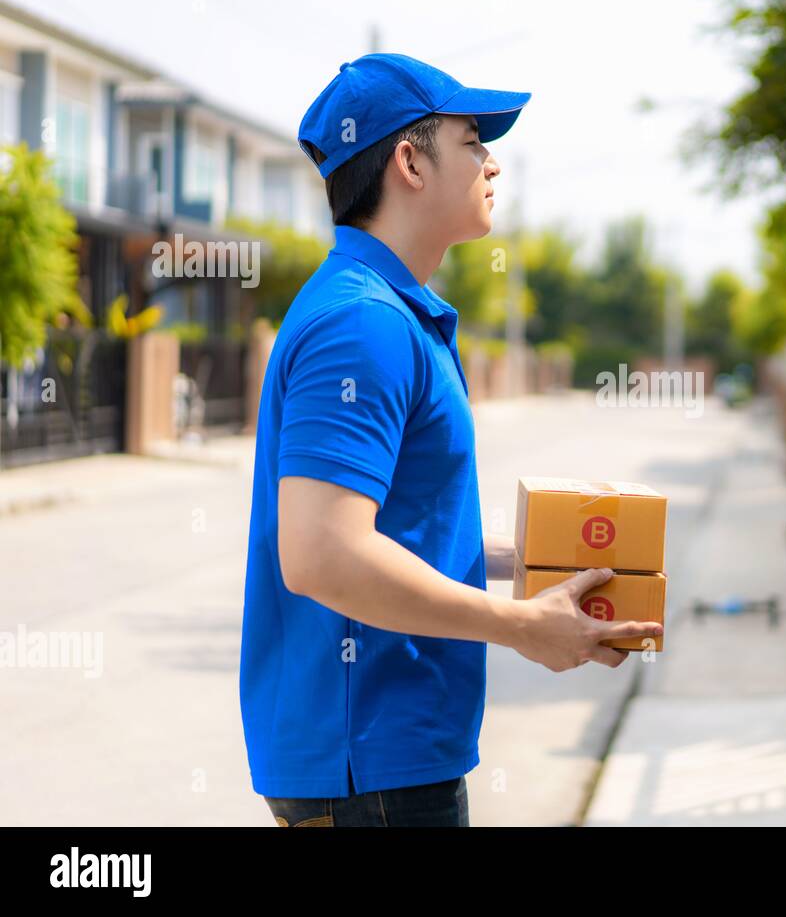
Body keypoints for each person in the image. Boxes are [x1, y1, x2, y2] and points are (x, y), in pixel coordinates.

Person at [239, 54, 663, 827]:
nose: (492, 161)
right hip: (367, 766)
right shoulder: (360, 324)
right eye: (473, 141)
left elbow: (393, 527)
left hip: (385, 762)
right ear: (409, 161)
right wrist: (520, 627)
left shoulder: (393, 313)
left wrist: (547, 553)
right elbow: (322, 553)